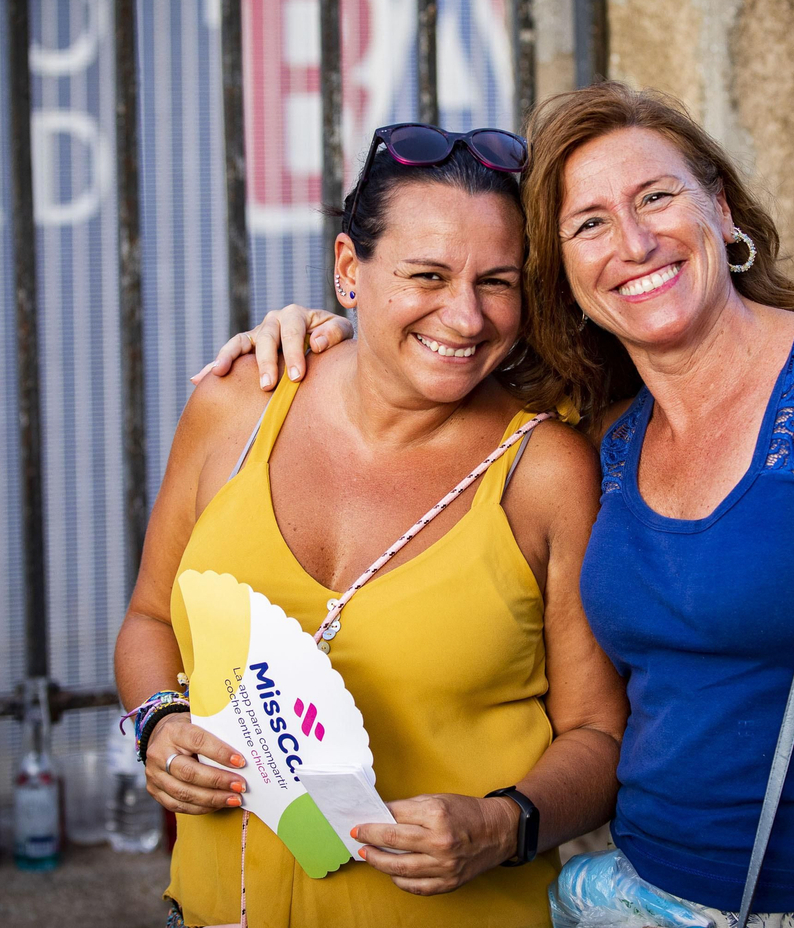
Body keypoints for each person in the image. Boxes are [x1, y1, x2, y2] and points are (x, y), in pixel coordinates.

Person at [205, 84, 794, 927]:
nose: (633, 242)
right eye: (588, 223)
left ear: (722, 211)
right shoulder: (604, 428)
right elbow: (438, 348)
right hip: (634, 899)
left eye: (656, 197)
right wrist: (324, 331)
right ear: (567, 276)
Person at [116, 125, 628, 928]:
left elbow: (599, 732)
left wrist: (504, 825)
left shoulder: (546, 471)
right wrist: (157, 721)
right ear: (350, 269)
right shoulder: (236, 405)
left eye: (496, 282)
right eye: (427, 275)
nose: (464, 317)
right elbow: (150, 618)